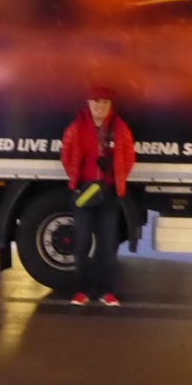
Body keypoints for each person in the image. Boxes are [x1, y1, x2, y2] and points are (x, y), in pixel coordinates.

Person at [60, 84, 136, 306]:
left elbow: (129, 156)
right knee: (82, 242)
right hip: (84, 192)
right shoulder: (77, 127)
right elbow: (66, 154)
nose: (100, 107)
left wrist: (116, 176)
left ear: (110, 105)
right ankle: (81, 291)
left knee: (108, 244)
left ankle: (106, 291)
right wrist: (76, 179)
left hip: (109, 194)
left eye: (104, 102)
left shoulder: (119, 128)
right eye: (96, 102)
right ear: (88, 103)